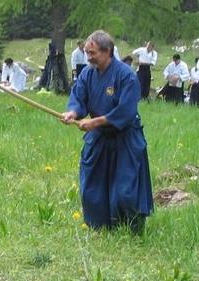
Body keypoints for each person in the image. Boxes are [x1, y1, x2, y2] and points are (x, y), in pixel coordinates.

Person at [62, 30, 153, 234]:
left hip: (124, 137)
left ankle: (129, 229)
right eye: (87, 52)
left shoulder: (126, 76)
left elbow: (126, 111)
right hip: (99, 138)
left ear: (108, 51)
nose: (88, 57)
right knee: (92, 186)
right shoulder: (87, 73)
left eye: (92, 52)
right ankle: (99, 227)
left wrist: (95, 122)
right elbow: (79, 98)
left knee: (125, 190)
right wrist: (72, 113)